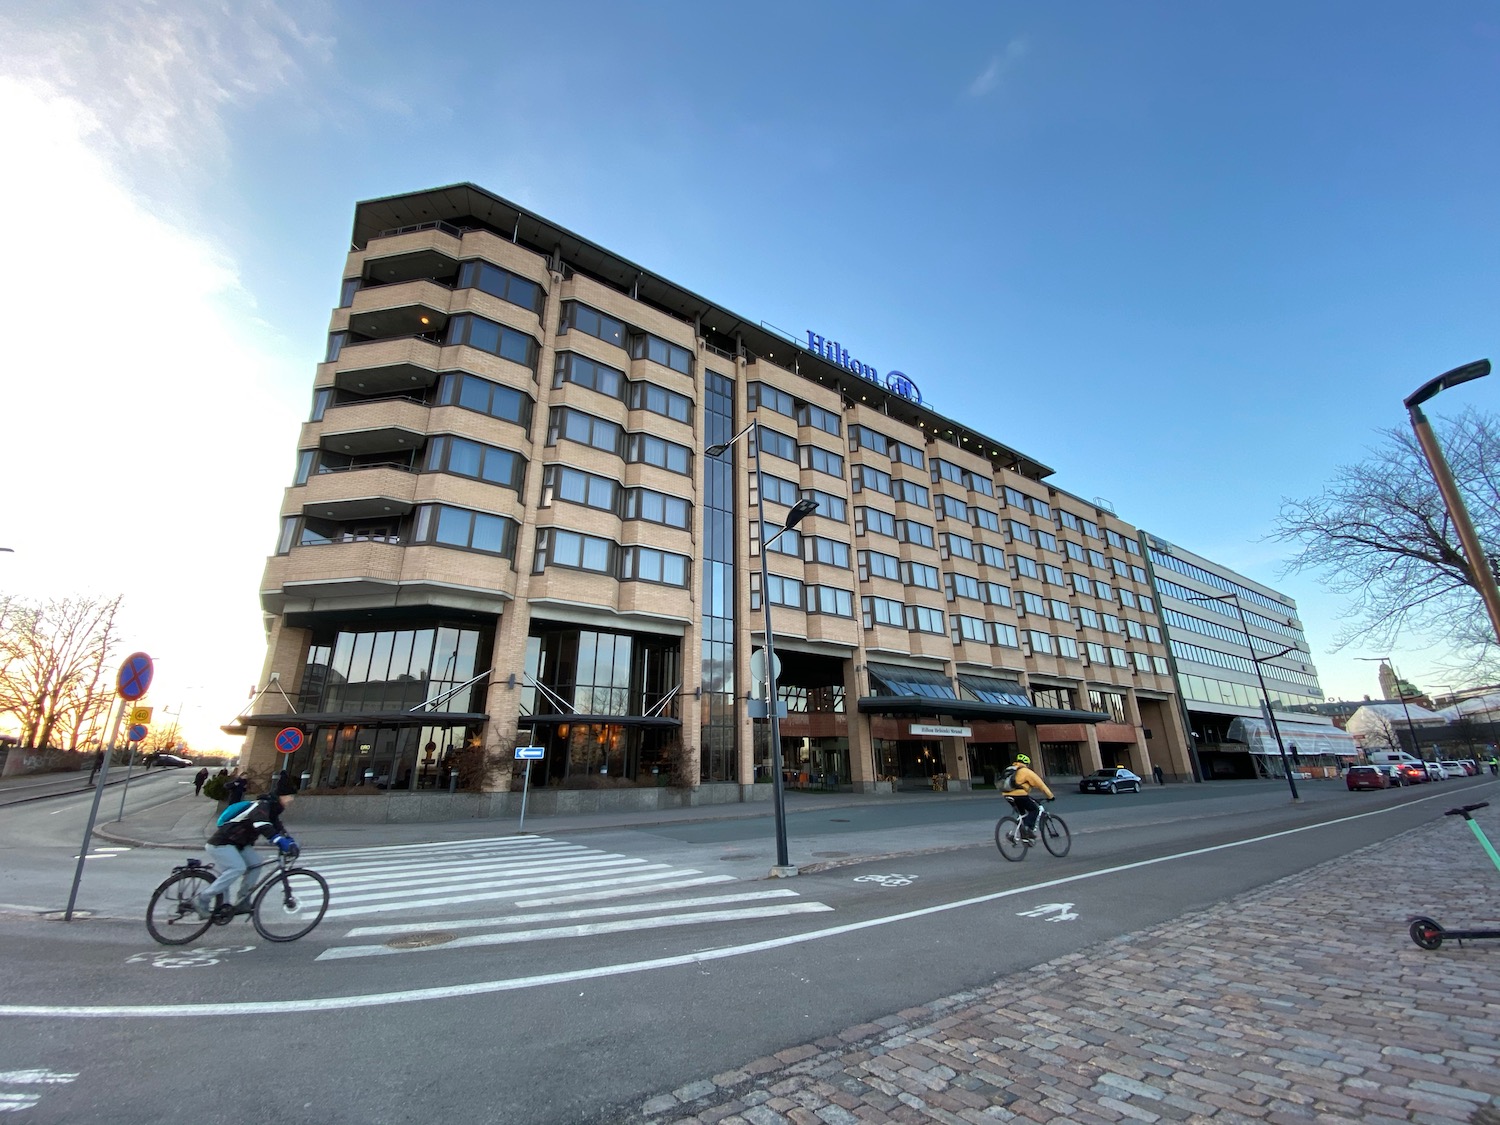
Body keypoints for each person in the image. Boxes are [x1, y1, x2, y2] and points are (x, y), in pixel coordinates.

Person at [192, 783, 298, 919]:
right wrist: (279, 841)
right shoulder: (262, 806)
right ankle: (202, 899)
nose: (291, 799)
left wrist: (290, 841)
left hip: (238, 844)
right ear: (281, 796)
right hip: (222, 843)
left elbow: (277, 827)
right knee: (237, 868)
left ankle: (242, 901)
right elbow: (261, 824)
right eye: (290, 796)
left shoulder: (272, 809)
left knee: (255, 864)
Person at [1002, 753, 1054, 840]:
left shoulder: (1010, 769)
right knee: (1034, 809)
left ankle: (1017, 835)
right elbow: (1041, 784)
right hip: (1020, 795)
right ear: (1026, 763)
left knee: (1023, 814)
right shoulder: (1026, 771)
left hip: (1007, 795)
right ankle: (1027, 830)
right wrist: (1050, 796)